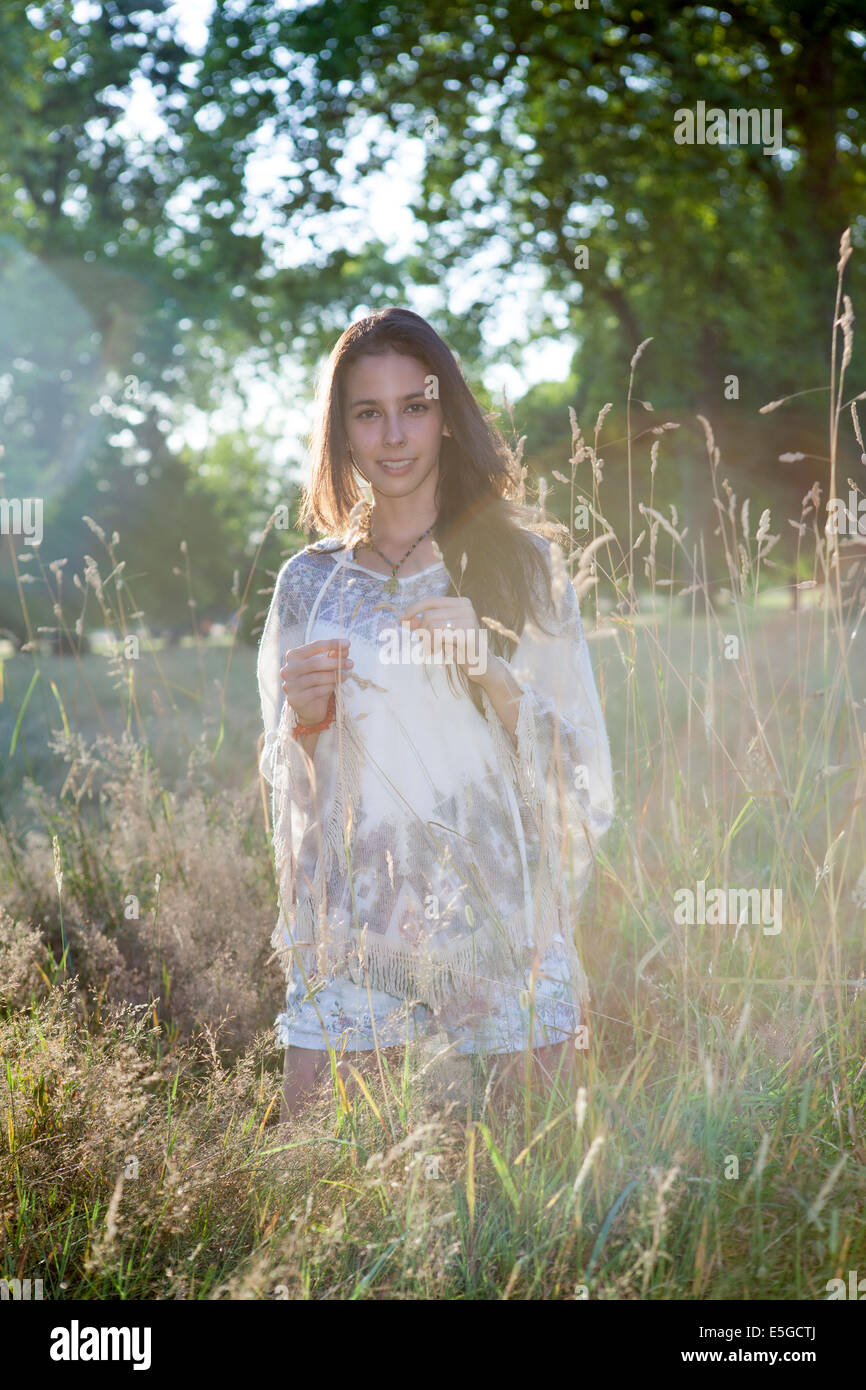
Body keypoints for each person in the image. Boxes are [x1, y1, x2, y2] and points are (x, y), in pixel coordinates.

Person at [256, 307, 615, 1122]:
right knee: (318, 1163)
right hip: (361, 924)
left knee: (538, 1159)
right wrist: (305, 722)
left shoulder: (522, 563)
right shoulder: (309, 582)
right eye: (367, 413)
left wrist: (487, 668)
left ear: (446, 415)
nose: (393, 436)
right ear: (341, 432)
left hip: (499, 918)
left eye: (414, 407)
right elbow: (297, 791)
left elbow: (578, 757)